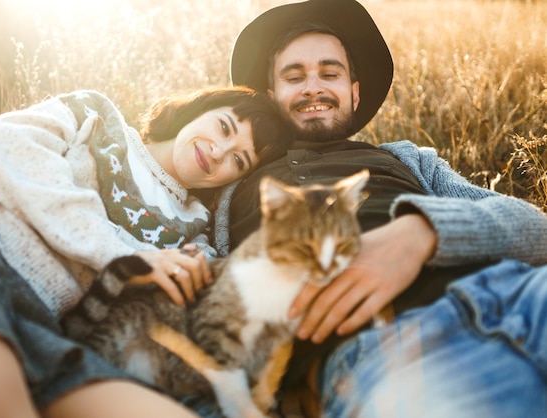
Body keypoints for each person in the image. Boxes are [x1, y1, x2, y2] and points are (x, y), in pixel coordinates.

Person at [194, 0, 547, 416]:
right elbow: (205, 285)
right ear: (272, 96)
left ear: (354, 92)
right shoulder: (236, 182)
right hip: (385, 352)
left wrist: (422, 233)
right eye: (294, 77)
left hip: (516, 292)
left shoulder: (407, 157)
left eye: (330, 73)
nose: (313, 87)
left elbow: (537, 230)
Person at [0, 86, 289, 417]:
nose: (220, 151)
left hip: (47, 324)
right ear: (199, 108)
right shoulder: (96, 115)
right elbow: (7, 147)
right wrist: (123, 256)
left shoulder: (197, 235)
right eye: (224, 127)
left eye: (239, 161)